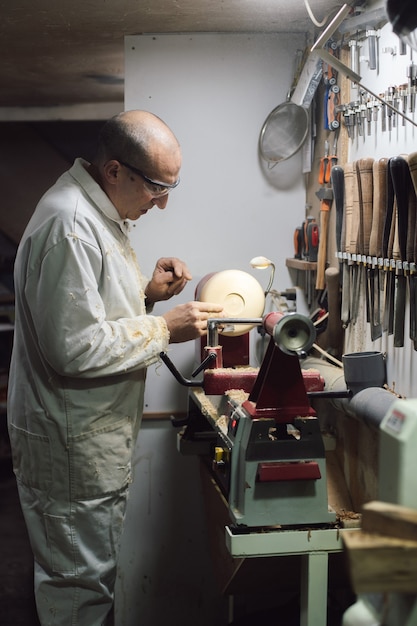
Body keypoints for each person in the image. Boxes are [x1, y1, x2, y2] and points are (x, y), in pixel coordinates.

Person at [7, 110, 223, 626]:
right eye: (155, 187)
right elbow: (73, 347)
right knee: (77, 591)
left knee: (87, 579)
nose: (163, 202)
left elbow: (83, 312)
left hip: (81, 440)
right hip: (70, 446)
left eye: (171, 187)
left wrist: (144, 295)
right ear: (113, 172)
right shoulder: (72, 226)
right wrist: (165, 328)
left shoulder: (93, 212)